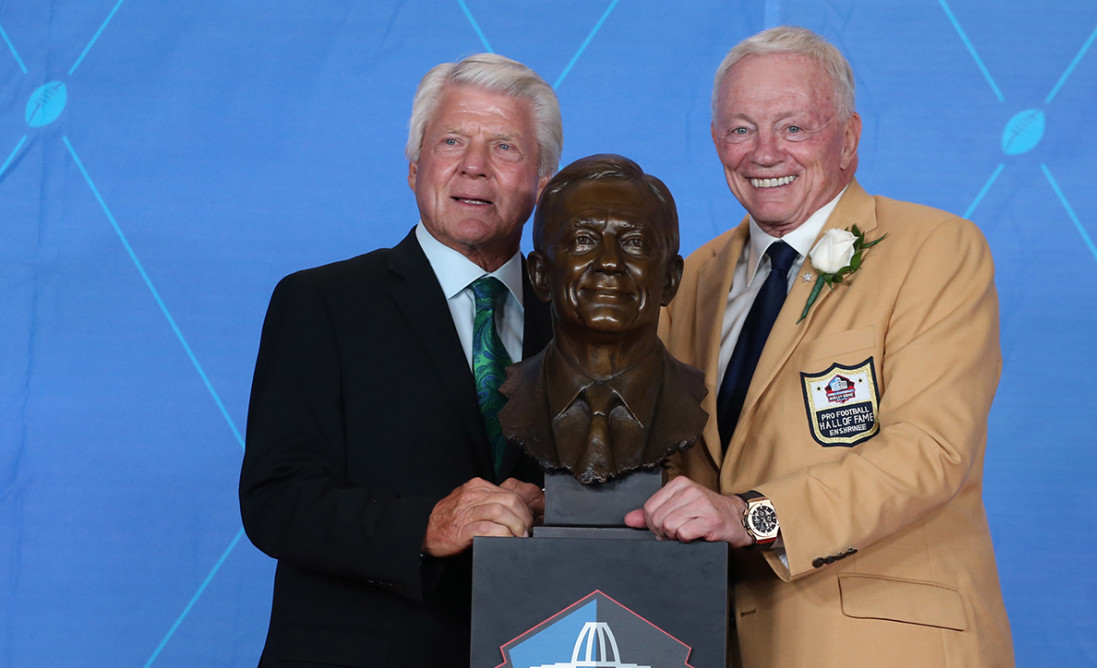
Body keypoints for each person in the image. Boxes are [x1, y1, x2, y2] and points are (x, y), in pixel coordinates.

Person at [626, 26, 1015, 666]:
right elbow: (672, 462)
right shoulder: (691, 277)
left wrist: (750, 515)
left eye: (794, 128)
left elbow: (931, 451)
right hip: (720, 641)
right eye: (741, 128)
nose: (764, 152)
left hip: (888, 643)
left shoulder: (936, 250)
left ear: (849, 139)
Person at [239, 53, 562, 667]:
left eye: (504, 147)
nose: (474, 165)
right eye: (452, 141)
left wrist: (561, 506)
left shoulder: (581, 324)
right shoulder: (321, 303)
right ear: (415, 167)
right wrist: (428, 524)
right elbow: (275, 500)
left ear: (543, 180)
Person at [499, 154, 707, 485]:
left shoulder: (698, 399)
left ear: (669, 280)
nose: (609, 262)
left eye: (635, 243)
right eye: (583, 240)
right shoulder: (507, 398)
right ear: (540, 275)